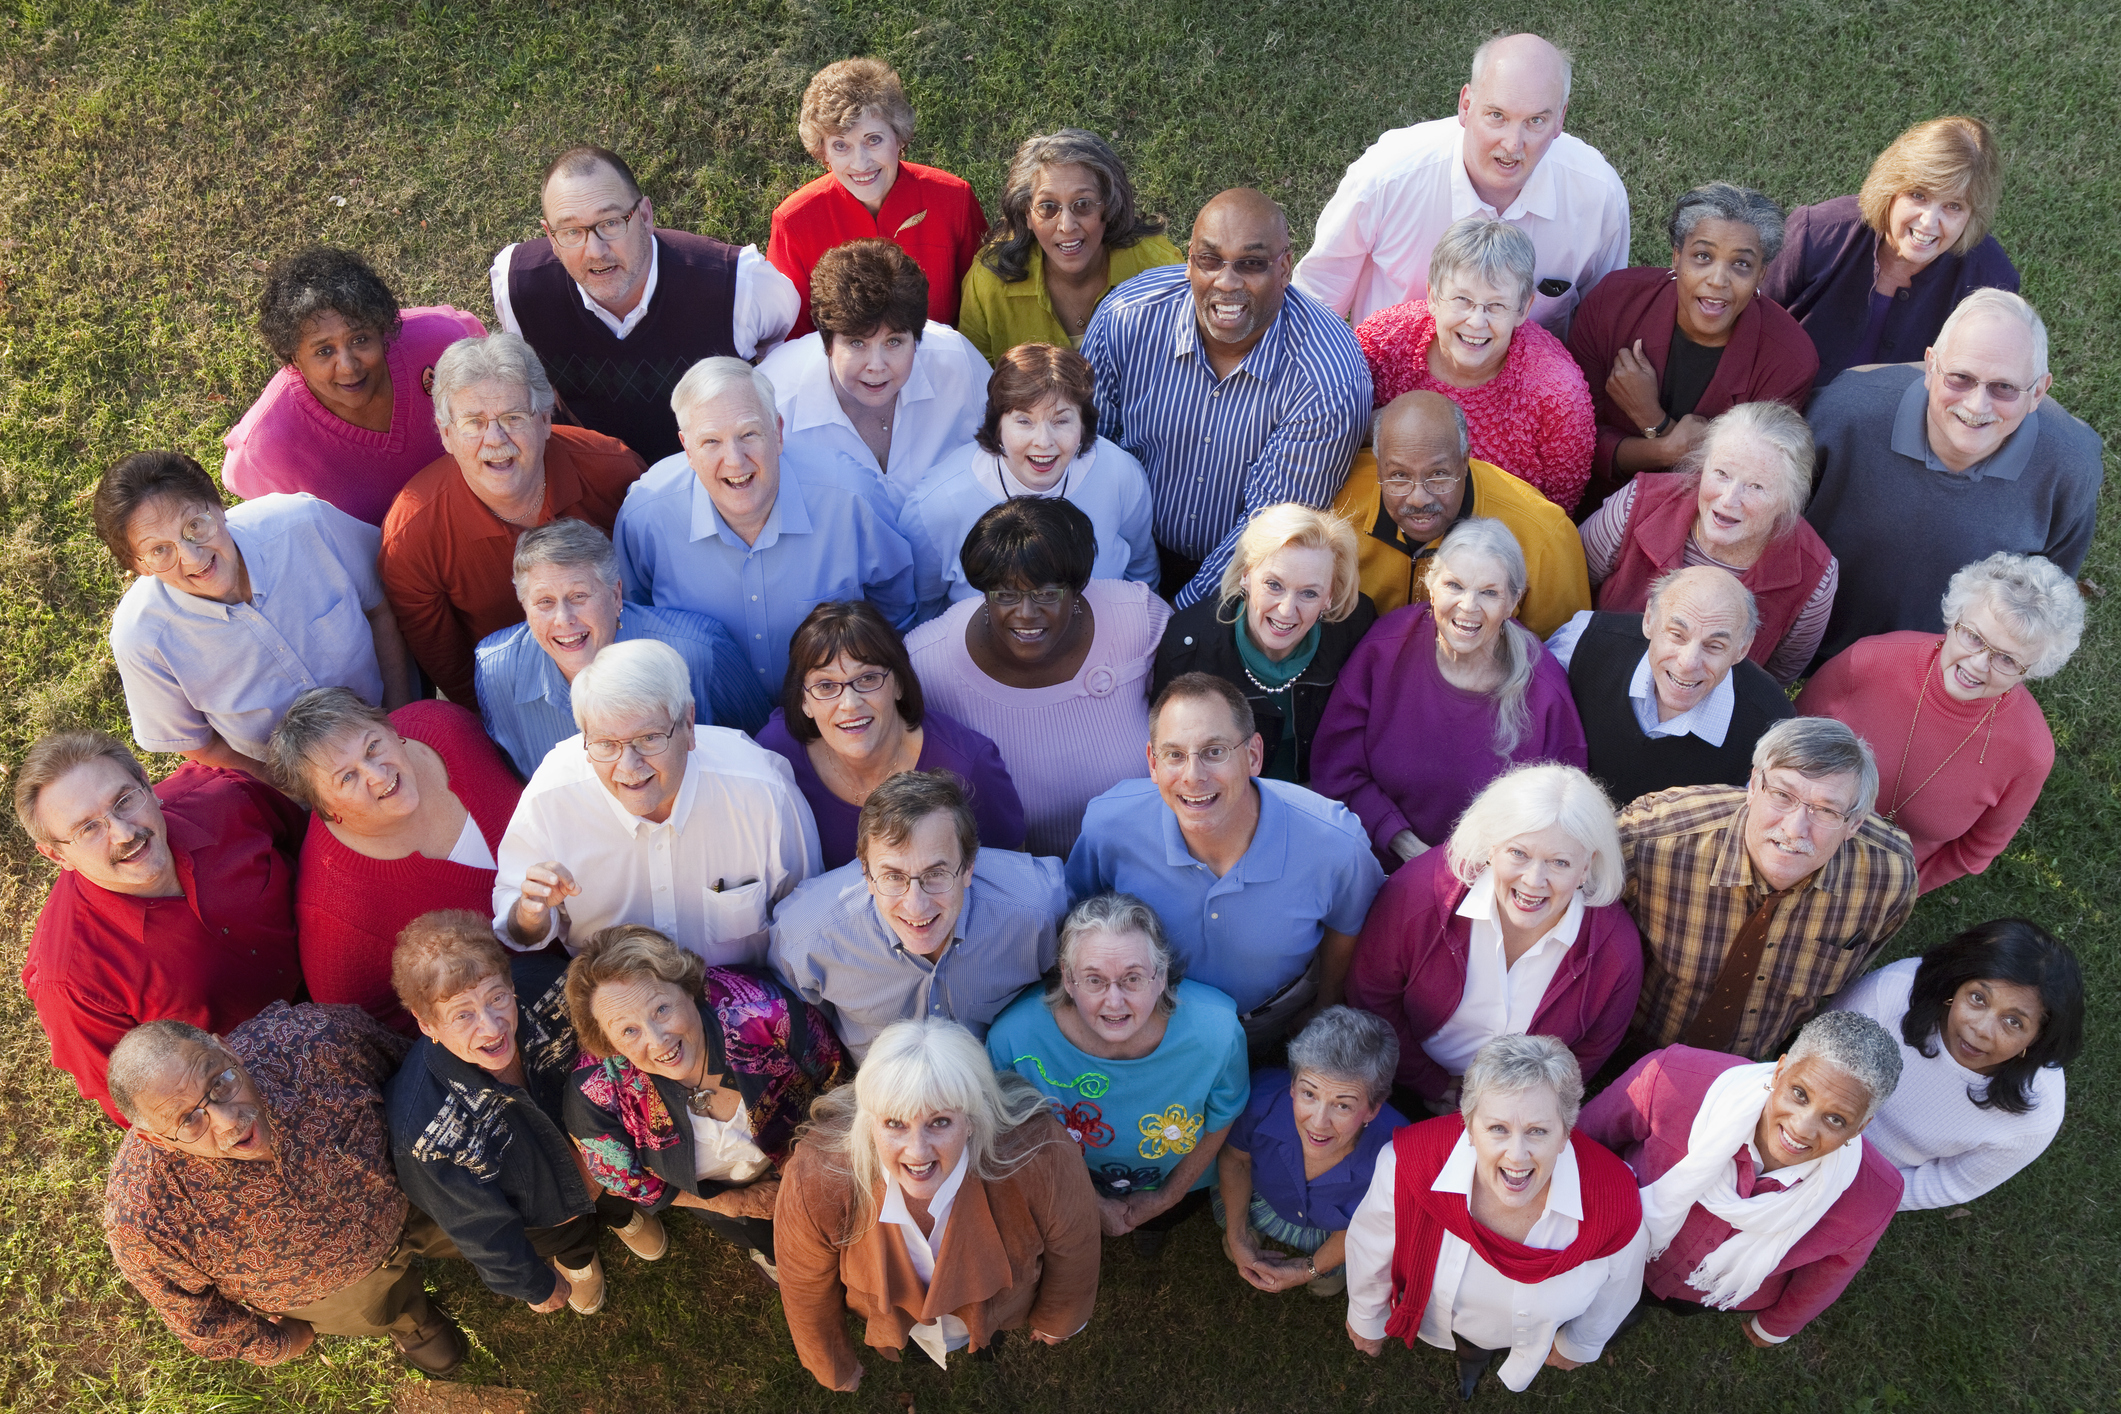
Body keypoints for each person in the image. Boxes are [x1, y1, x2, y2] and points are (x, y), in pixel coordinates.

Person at [99, 1004, 467, 1374]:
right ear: (157, 1139)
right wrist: (278, 1345)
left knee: (497, 1224)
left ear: (226, 1049)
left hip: (419, 1191)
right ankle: (410, 1321)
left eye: (220, 1083)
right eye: (189, 1120)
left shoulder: (315, 1040)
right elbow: (195, 1316)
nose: (229, 1121)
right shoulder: (144, 1219)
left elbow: (420, 1073)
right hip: (339, 1292)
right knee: (376, 1312)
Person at [1082, 186, 1370, 606]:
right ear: (1189, 260)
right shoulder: (1127, 318)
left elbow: (1267, 536)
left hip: (1250, 579)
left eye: (1251, 264)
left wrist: (1173, 627)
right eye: (1210, 260)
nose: (1227, 281)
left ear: (1285, 266)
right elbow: (1087, 459)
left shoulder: (1328, 377)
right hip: (1121, 543)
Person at [777, 1018, 1100, 1388]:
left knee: (987, 1337)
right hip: (897, 1322)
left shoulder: (1043, 1156)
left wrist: (1059, 1320)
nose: (917, 1152)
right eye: (895, 1123)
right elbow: (804, 1286)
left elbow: (1075, 1250)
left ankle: (982, 1340)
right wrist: (832, 1366)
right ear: (869, 1125)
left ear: (974, 1121)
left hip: (997, 1311)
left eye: (940, 1122)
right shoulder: (816, 1176)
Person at [1067, 674, 1383, 1041]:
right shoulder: (1109, 826)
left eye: (1214, 751)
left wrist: (1323, 1011)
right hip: (1156, 1029)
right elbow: (1077, 921)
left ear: (1253, 755)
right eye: (1174, 755)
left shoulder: (1335, 843)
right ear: (1152, 764)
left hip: (1279, 1023)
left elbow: (1349, 929)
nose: (1193, 776)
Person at [1802, 288, 2102, 668]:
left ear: (2038, 392)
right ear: (1930, 367)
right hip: (1803, 632)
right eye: (1960, 377)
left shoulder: (2071, 468)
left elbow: (2045, 589)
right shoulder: (1845, 413)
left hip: (1942, 669)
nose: (1977, 406)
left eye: (2004, 387)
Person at [17, 732, 303, 1125]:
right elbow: (138, 1106)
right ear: (56, 854)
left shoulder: (225, 796)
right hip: (258, 1090)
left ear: (145, 782)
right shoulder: (70, 982)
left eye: (124, 801)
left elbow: (315, 847)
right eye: (88, 829)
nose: (123, 833)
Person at [385, 912, 660, 1317]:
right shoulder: (422, 1134)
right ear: (428, 1025)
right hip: (546, 1212)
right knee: (567, 1237)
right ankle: (579, 1259)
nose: (492, 1026)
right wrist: (532, 1282)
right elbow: (478, 1226)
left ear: (511, 983)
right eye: (462, 1015)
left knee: (617, 1196)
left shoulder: (555, 989)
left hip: (608, 1154)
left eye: (497, 997)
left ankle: (623, 1214)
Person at [1344, 1035, 1648, 1397]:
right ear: (1469, 1127)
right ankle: (1471, 1356)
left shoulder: (1615, 1196)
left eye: (1538, 1131)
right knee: (1471, 1345)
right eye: (1498, 1129)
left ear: (1565, 1133)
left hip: (1534, 1332)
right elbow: (1371, 1246)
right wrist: (1365, 1315)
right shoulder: (1407, 1164)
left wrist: (1580, 1343)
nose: (1517, 1156)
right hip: (1453, 1321)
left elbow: (1620, 1286)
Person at [1577, 1011, 1905, 1345]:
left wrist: (1777, 1325)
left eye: (1836, 1119)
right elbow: (1583, 1144)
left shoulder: (1876, 1196)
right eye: (1800, 1094)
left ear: (1861, 1127)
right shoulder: (1672, 1077)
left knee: (1629, 1316)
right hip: (1610, 1244)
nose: (1802, 1128)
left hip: (1708, 1294)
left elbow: (1833, 1270)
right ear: (1779, 1071)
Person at [494, 639, 820, 962]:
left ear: (689, 725)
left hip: (745, 1003)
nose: (628, 767)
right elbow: (518, 927)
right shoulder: (551, 797)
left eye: (648, 739)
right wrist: (529, 915)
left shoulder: (763, 792)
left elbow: (809, 923)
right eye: (606, 744)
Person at [98, 451, 414, 781]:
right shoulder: (141, 639)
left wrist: (401, 723)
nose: (192, 558)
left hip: (399, 715)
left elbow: (380, 610)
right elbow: (199, 744)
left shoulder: (305, 523)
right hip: (299, 787)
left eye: (195, 526)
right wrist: (294, 791)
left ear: (218, 507)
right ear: (139, 566)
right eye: (160, 550)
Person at [612, 355, 916, 697]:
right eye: (711, 441)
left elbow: (897, 611)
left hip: (833, 717)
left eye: (749, 433)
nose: (735, 460)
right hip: (705, 723)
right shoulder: (645, 516)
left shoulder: (851, 499)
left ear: (778, 432)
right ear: (687, 449)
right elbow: (633, 621)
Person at [1618, 718, 1917, 1062]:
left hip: (1752, 1069)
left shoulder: (1888, 881)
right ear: (1753, 785)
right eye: (1782, 795)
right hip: (1632, 1048)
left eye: (1825, 810)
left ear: (1854, 824)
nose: (1795, 828)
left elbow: (1854, 976)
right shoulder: (1650, 840)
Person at [1348, 763, 1643, 1110]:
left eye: (1559, 862)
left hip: (1519, 1112)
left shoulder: (1616, 951)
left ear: (1586, 867)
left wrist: (1513, 1108)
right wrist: (1432, 1084)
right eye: (1518, 853)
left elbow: (1592, 1049)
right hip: (1401, 1087)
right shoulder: (1417, 893)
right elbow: (1370, 996)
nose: (1534, 880)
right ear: (1491, 846)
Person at [1295, 33, 1630, 335]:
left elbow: (1603, 326)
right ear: (1466, 106)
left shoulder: (1599, 198)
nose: (1513, 144)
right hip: (1391, 388)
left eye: (1535, 121)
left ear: (1560, 119)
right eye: (1496, 116)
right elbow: (1314, 307)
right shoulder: (1384, 179)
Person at [563, 923, 847, 1278]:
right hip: (716, 1196)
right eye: (628, 1031)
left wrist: (810, 1158)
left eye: (661, 1009)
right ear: (608, 1043)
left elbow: (835, 1078)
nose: (658, 1040)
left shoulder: (765, 1013)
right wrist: (731, 1203)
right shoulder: (593, 1096)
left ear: (688, 988)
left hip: (808, 1157)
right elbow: (629, 1180)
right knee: (764, 1238)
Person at [379, 332, 646, 706]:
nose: (495, 438)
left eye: (513, 417)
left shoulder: (614, 472)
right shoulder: (413, 538)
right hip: (517, 701)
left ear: (545, 420)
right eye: (473, 422)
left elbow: (658, 590)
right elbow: (459, 678)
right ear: (446, 434)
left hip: (637, 667)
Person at [490, 144, 801, 463]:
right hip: (592, 481)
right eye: (571, 231)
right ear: (550, 236)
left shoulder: (739, 285)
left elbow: (782, 352)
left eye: (610, 222)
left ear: (645, 215)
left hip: (711, 476)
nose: (595, 250)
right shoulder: (518, 287)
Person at [1797, 552, 2082, 893]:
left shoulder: (2030, 752)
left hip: (1880, 886)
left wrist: (1901, 891)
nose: (1977, 664)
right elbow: (1791, 736)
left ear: (2031, 670)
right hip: (1792, 833)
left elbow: (1977, 849)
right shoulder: (1869, 660)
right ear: (1954, 618)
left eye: (2006, 659)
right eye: (1973, 637)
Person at [1312, 518, 1587, 868]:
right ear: (1430, 585)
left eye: (1489, 592)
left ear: (1514, 601)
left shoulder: (1545, 688)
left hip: (1493, 882)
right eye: (1454, 585)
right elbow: (1336, 771)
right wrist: (1410, 849)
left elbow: (1562, 814)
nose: (1468, 606)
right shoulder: (1384, 650)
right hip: (1374, 862)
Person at [986, 893, 1250, 1256]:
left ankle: (1154, 1228)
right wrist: (1090, 1202)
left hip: (1174, 1185)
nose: (1114, 1002)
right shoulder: (1014, 1038)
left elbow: (1224, 1116)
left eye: (1133, 978)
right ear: (1067, 978)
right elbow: (1012, 1136)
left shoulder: (1216, 1031)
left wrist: (1166, 1197)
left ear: (1161, 977)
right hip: (1063, 1186)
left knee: (1162, 1220)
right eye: (1094, 980)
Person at [906, 496, 1170, 856]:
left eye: (1046, 593)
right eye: (1005, 594)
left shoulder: (1138, 617)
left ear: (1076, 588)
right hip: (1020, 882)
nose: (1026, 613)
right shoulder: (927, 662)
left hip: (1149, 858)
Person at [266, 689, 521, 1033]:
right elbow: (365, 1036)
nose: (377, 775)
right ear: (327, 810)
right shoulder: (338, 919)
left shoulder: (443, 726)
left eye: (372, 747)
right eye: (347, 777)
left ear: (390, 728)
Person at [769, 770, 1065, 1059]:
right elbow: (799, 1026)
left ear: (969, 866)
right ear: (867, 874)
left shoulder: (1039, 913)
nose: (916, 905)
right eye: (893, 877)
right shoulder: (807, 934)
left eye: (935, 874)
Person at [1568, 183, 1816, 515]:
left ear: (1762, 274)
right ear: (1676, 256)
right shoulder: (1613, 303)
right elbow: (1570, 440)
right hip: (1585, 501)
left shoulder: (1788, 361)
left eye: (1741, 264)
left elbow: (1745, 485)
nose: (1718, 279)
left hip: (1697, 526)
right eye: (1703, 256)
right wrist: (1668, 445)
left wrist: (1654, 421)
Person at [474, 517, 772, 779]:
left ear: (616, 595)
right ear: (524, 606)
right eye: (545, 602)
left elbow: (763, 752)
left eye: (578, 596)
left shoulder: (701, 650)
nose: (563, 619)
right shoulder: (496, 670)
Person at [1827, 919, 2082, 1210]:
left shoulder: (2038, 1116)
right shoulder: (1893, 991)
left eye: (2013, 1021)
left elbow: (1947, 1184)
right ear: (1956, 983)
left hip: (1865, 1187)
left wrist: (1849, 1197)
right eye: (1978, 998)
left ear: (2038, 1037)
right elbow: (1813, 1054)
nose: (1982, 1029)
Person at [1577, 402, 1837, 685]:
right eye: (1721, 473)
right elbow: (1570, 588)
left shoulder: (1815, 580)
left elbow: (1773, 680)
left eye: (1756, 487)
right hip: (1596, 674)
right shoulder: (1635, 505)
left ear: (1788, 502)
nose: (1728, 499)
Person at [222, 247, 486, 525]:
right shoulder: (265, 447)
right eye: (324, 351)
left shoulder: (446, 341)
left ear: (381, 328)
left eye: (360, 339)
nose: (348, 366)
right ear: (294, 359)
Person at [900, 342, 1159, 623]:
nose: (1044, 441)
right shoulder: (936, 505)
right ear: (997, 424)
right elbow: (921, 611)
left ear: (1084, 424)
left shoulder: (1120, 474)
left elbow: (1142, 574)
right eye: (1024, 421)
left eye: (1061, 421)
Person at [755, 601, 1025, 870]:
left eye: (868, 679)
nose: (849, 703)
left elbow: (1013, 875)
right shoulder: (775, 754)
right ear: (804, 701)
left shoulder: (969, 767)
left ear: (898, 684)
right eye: (826, 686)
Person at [1353, 217, 1596, 512]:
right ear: (1432, 296)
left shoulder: (1557, 395)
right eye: (1462, 300)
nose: (1477, 322)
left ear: (1524, 309)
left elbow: (1559, 510)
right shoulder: (1383, 341)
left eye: (1496, 306)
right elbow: (1336, 439)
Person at [1763, 116, 2018, 389]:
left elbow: (1978, 388)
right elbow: (1749, 323)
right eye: (1919, 195)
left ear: (1971, 215)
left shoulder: (1990, 281)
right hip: (1779, 411)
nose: (1929, 222)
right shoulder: (1816, 233)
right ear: (1891, 189)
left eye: (1953, 206)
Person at [1328, 390, 1588, 634]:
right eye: (1399, 476)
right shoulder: (1334, 503)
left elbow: (1559, 656)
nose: (1418, 498)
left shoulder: (1543, 535)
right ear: (1378, 468)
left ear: (1464, 462)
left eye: (1438, 474)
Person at [1151, 504, 1378, 785]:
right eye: (1274, 584)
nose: (1286, 610)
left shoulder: (1354, 628)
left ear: (1330, 595)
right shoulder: (1189, 646)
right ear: (1246, 575)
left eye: (1309, 593)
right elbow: (1171, 761)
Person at [767, 58, 986, 336]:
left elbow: (983, 307)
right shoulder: (795, 221)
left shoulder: (954, 200)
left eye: (873, 140)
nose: (860, 163)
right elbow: (788, 336)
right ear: (823, 153)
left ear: (900, 137)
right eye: (841, 145)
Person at [1546, 566, 1794, 807]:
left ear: (1742, 649)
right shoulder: (1583, 642)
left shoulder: (1771, 727)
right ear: (1649, 620)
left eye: (1714, 646)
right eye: (1677, 634)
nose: (1688, 663)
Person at [756, 239, 988, 489]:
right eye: (857, 343)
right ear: (828, 343)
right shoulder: (773, 400)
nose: (876, 366)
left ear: (917, 338)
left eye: (894, 342)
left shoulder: (959, 364)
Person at [1217, 1008, 1407, 1298]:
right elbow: (1236, 1162)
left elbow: (1374, 1224)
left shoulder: (1398, 1155)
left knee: (1326, 1285)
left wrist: (1309, 1270)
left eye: (1342, 1105)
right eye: (1309, 1094)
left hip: (1340, 1231)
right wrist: (1237, 1234)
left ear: (1372, 1108)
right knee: (1236, 1248)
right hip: (1266, 1202)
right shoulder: (1258, 1102)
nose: (1318, 1123)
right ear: (1292, 1086)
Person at [957, 128, 1184, 362]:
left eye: (1083, 204)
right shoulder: (988, 283)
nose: (1066, 225)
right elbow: (974, 382)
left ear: (1107, 205)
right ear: (1027, 214)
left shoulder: (1159, 267)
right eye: (1048, 207)